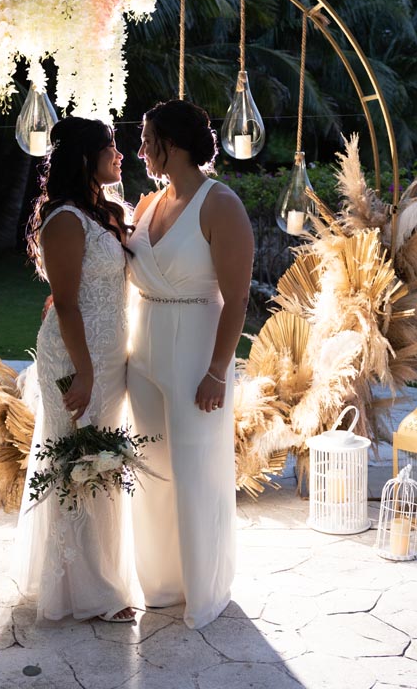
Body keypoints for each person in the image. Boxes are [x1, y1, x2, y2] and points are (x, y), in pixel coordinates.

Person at [127, 99, 254, 629]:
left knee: (195, 471)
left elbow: (239, 298)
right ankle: (161, 583)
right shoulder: (148, 203)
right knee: (151, 469)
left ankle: (204, 589)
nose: (139, 150)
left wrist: (217, 370)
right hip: (145, 348)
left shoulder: (220, 204)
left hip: (196, 351)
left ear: (170, 145)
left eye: (146, 139)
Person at [14, 116, 140, 624]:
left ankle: (91, 578)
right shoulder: (65, 218)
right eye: (112, 147)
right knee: (82, 461)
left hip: (109, 357)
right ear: (87, 157)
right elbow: (66, 304)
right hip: (75, 359)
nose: (121, 155)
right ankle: (89, 592)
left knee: (98, 461)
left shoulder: (102, 211)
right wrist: (85, 374)